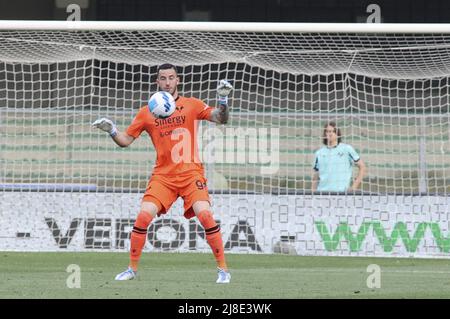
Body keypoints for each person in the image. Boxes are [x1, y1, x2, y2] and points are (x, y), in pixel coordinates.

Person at [92, 63, 233, 283]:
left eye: (171, 78)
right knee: (143, 216)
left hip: (191, 173)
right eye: (163, 78)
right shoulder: (147, 111)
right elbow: (125, 141)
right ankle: (131, 269)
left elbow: (220, 118)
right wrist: (111, 130)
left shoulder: (192, 105)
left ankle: (223, 270)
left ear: (178, 80)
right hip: (163, 177)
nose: (167, 82)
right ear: (157, 82)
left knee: (205, 215)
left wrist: (223, 100)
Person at [312, 121, 366, 193]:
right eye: (327, 131)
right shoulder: (319, 153)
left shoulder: (346, 149)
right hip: (322, 194)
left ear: (337, 134)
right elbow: (315, 177)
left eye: (332, 131)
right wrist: (313, 193)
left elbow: (362, 166)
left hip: (341, 194)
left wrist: (354, 187)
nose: (329, 134)